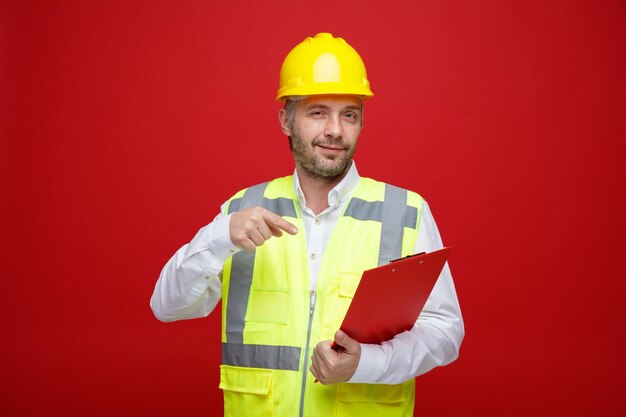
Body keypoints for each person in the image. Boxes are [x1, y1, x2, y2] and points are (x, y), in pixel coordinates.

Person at [151, 32, 464, 417]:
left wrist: (365, 363)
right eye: (318, 112)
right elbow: (167, 307)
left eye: (349, 114)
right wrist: (218, 237)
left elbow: (446, 332)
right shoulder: (242, 209)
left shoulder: (407, 212)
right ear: (286, 120)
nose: (335, 129)